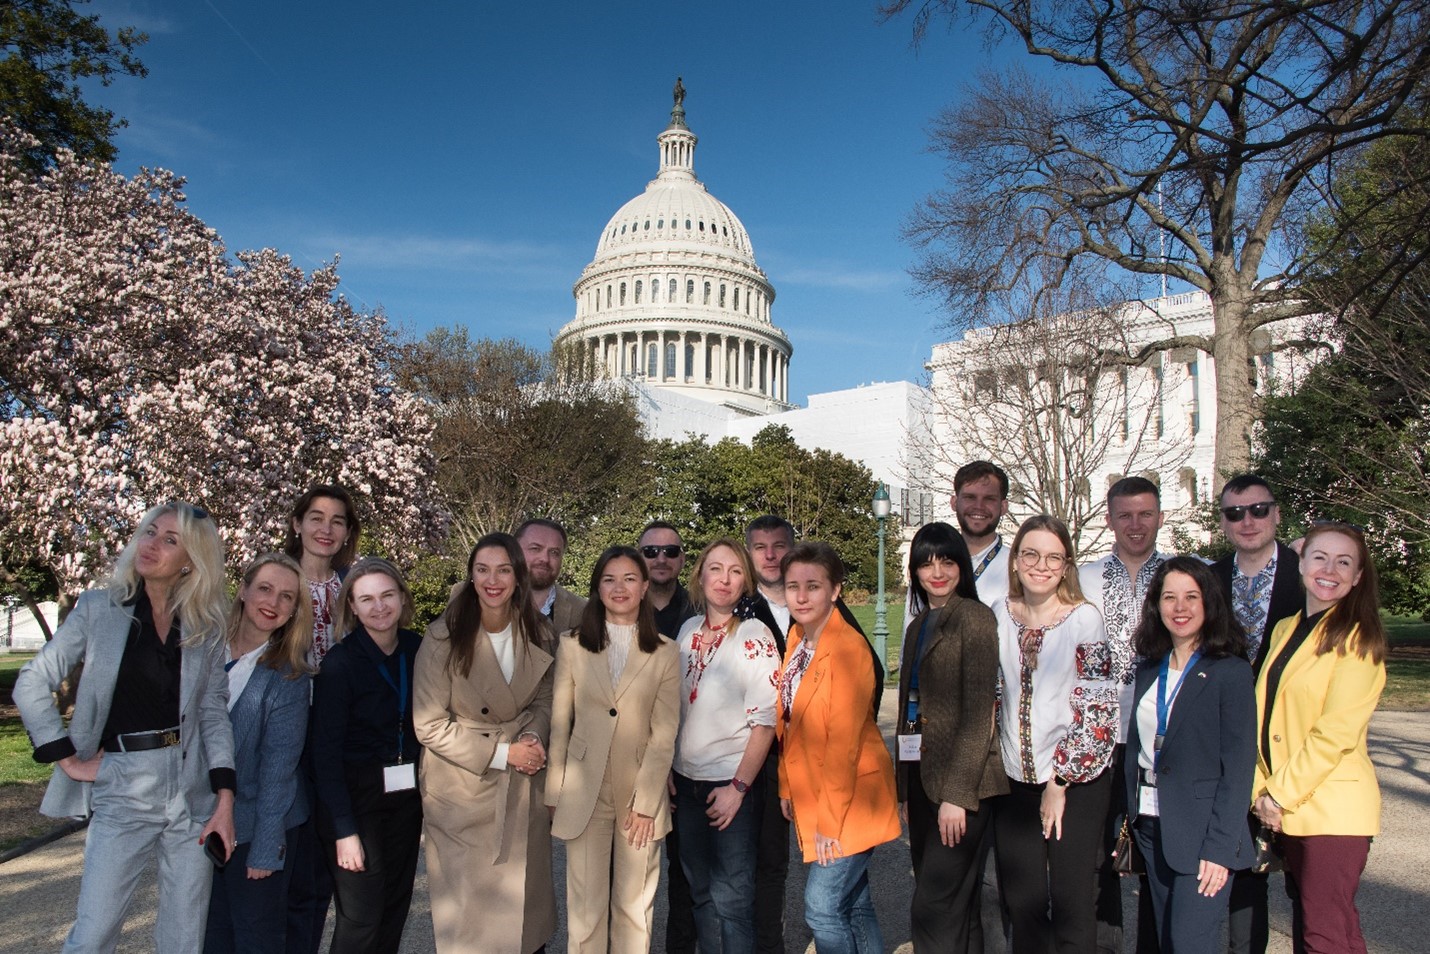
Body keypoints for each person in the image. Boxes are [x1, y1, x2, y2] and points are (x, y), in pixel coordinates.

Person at [15, 501, 235, 954]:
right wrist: (66, 758)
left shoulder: (205, 626)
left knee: (183, 938)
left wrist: (225, 799)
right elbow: (33, 681)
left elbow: (213, 713)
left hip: (191, 790)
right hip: (123, 781)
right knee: (93, 935)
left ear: (191, 560)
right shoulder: (99, 609)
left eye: (169, 540)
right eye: (149, 532)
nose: (150, 544)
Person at [414, 533, 556, 954]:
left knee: (524, 922)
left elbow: (546, 697)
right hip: (463, 790)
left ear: (518, 576)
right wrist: (502, 753)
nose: (493, 580)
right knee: (472, 927)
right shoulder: (443, 636)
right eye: (482, 570)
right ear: (471, 576)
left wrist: (532, 736)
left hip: (521, 789)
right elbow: (428, 724)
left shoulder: (539, 631)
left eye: (503, 569)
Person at [1252, 522, 1386, 954]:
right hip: (1290, 806)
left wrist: (1279, 795)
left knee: (1324, 935)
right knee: (1333, 931)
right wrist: (1260, 790)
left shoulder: (1359, 638)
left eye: (1344, 562)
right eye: (1320, 557)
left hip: (1331, 812)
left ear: (1359, 576)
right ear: (1302, 563)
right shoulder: (1288, 628)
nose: (1330, 569)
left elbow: (1334, 733)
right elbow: (1265, 717)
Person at [992, 514, 1118, 953]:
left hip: (1074, 783)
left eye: (1053, 557)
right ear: (1015, 561)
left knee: (1070, 901)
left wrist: (1059, 782)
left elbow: (1097, 712)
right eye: (1031, 553)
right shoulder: (1000, 616)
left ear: (1066, 566)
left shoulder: (1084, 620)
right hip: (1015, 781)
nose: (1040, 565)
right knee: (1023, 901)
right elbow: (995, 696)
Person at [546, 546, 680, 954]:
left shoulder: (666, 651)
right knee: (585, 913)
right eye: (609, 579)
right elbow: (559, 723)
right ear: (597, 589)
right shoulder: (571, 646)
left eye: (628, 579)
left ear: (643, 588)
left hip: (641, 794)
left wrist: (646, 802)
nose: (619, 587)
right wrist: (554, 791)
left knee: (634, 909)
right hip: (584, 791)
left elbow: (664, 733)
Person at [1125, 558, 1257, 953]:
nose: (1179, 608)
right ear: (1156, 606)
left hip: (1204, 837)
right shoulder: (1150, 668)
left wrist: (1220, 850)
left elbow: (1238, 768)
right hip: (1153, 827)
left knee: (1189, 944)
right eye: (1169, 597)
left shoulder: (1229, 672)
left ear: (1208, 604)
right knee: (1168, 941)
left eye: (1190, 597)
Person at [778, 541, 900, 954]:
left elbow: (843, 745)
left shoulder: (848, 648)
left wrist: (829, 823)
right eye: (792, 585)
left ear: (835, 590)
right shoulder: (797, 637)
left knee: (822, 908)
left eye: (813, 585)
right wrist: (786, 788)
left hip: (849, 800)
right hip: (815, 793)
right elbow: (789, 721)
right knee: (855, 905)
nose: (800, 595)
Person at [897, 522, 1006, 954]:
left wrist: (958, 796)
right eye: (926, 564)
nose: (937, 571)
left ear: (961, 563)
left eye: (946, 560)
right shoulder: (918, 624)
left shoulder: (975, 619)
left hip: (963, 789)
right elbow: (910, 708)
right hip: (923, 782)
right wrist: (904, 788)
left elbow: (981, 714)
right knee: (958, 907)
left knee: (933, 908)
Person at [309, 558, 424, 954]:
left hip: (405, 802)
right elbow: (324, 756)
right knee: (361, 919)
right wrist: (344, 831)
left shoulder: (418, 649)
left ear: (402, 598)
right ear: (352, 607)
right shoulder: (340, 664)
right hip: (356, 809)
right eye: (367, 599)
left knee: (394, 909)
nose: (379, 606)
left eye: (387, 595)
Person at [672, 538, 780, 954]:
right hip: (687, 785)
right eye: (716, 569)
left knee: (733, 902)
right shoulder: (687, 631)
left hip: (730, 785)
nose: (725, 579)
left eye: (735, 571)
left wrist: (738, 789)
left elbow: (765, 723)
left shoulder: (754, 636)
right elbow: (673, 712)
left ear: (745, 582)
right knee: (700, 895)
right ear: (700, 575)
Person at [205, 553, 315, 954]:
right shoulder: (203, 652)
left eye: (287, 597)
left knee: (255, 939)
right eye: (265, 589)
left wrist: (268, 849)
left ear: (292, 612)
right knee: (209, 935)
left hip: (258, 824)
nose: (273, 602)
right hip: (202, 824)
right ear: (243, 591)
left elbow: (279, 772)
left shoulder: (288, 677)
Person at [1211, 474, 1302, 954]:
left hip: (1290, 743)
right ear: (1223, 521)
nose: (1247, 521)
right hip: (1227, 742)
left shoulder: (1308, 572)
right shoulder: (1210, 578)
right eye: (1234, 513)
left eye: (1258, 509)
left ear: (1277, 514)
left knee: (1304, 882)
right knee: (1243, 867)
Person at [1080, 476, 1169, 953]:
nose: (1136, 525)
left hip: (1162, 738)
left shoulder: (1182, 576)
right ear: (1109, 519)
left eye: (1145, 514)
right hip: (1101, 736)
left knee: (1159, 851)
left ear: (1160, 516)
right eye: (1125, 515)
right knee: (1098, 854)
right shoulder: (1087, 577)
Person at [282, 482, 361, 953]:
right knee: (286, 869)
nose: (325, 529)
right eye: (316, 517)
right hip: (286, 735)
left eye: (337, 521)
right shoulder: (276, 578)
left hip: (338, 736)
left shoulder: (353, 585)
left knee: (321, 873)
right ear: (298, 524)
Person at [636, 520, 697, 953]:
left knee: (685, 874)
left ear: (681, 559)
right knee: (630, 876)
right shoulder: (617, 607)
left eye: (670, 551)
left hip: (687, 760)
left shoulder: (700, 612)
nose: (661, 558)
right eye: (651, 551)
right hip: (630, 761)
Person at [743, 514, 797, 954]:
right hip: (757, 754)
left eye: (778, 545)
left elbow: (868, 672)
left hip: (811, 752)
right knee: (758, 862)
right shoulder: (740, 609)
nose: (771, 554)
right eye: (761, 547)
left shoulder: (815, 601)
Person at [952, 461, 1012, 608]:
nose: (979, 506)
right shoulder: (930, 564)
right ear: (954, 502)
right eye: (970, 497)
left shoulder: (1017, 568)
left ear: (1003, 506)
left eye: (989, 499)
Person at [517, 517, 587, 634]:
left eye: (554, 552)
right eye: (535, 548)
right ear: (514, 551)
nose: (544, 559)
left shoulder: (583, 612)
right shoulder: (487, 604)